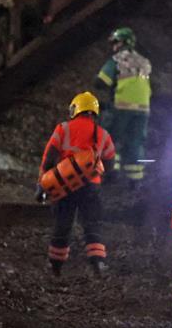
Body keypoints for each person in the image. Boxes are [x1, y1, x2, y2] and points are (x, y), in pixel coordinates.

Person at [38, 92, 117, 276]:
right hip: (90, 187)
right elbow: (110, 162)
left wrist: (41, 184)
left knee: (62, 223)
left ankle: (55, 266)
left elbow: (48, 158)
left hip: (64, 186)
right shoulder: (103, 134)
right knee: (92, 223)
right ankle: (97, 264)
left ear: (75, 108)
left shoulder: (62, 129)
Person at [95, 26, 152, 187]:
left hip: (122, 106)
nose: (114, 47)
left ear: (123, 43)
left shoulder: (118, 59)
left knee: (110, 138)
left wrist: (99, 80)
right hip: (143, 108)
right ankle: (135, 180)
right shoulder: (143, 61)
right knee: (135, 141)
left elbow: (102, 81)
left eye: (116, 43)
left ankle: (110, 172)